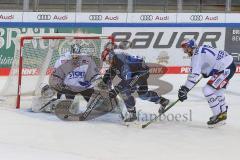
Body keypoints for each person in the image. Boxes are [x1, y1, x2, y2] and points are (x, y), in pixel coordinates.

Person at [100, 42, 170, 122]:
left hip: (140, 73)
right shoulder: (115, 61)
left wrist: (115, 90)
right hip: (138, 71)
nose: (107, 63)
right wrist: (103, 83)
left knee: (124, 90)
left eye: (107, 61)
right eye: (105, 62)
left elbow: (127, 80)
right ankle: (162, 101)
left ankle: (132, 113)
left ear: (110, 57)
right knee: (143, 94)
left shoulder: (120, 61)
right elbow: (110, 73)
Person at [178, 39, 236, 127]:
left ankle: (218, 115)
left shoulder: (196, 54)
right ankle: (223, 114)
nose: (185, 51)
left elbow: (194, 75)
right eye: (184, 48)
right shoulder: (201, 49)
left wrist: (185, 89)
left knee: (207, 90)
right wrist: (207, 72)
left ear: (192, 46)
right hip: (229, 65)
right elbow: (213, 60)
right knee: (218, 92)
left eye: (186, 48)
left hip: (225, 69)